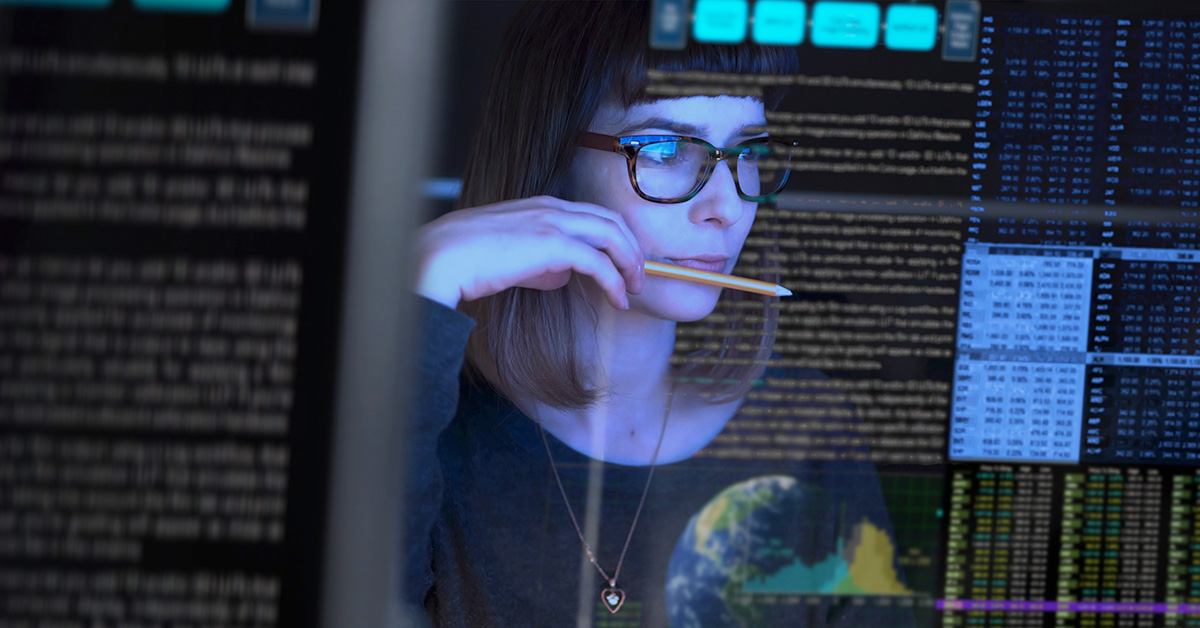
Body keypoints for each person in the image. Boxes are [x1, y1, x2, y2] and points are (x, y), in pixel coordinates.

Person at [404, 2, 914, 626]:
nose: (724, 207)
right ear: (551, 159)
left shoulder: (809, 429)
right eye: (668, 148)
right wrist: (421, 283)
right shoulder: (426, 423)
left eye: (746, 151)